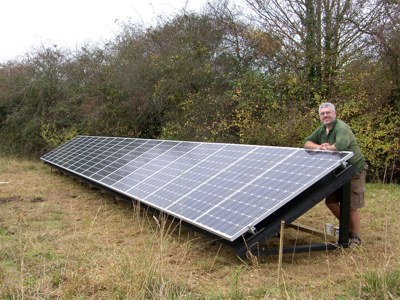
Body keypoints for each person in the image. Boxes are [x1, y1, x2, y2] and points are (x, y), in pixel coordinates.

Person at [304, 102, 367, 245]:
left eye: (328, 112)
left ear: (334, 114)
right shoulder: (322, 130)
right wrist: (320, 147)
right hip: (338, 171)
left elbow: (341, 146)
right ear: (320, 116)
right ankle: (348, 228)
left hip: (354, 169)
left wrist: (328, 148)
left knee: (351, 206)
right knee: (331, 202)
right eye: (323, 113)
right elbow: (306, 142)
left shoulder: (341, 128)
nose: (325, 115)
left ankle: (356, 236)